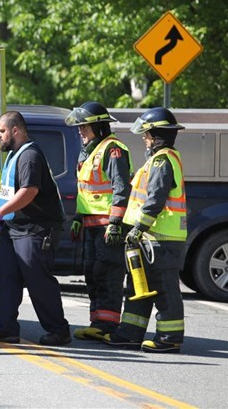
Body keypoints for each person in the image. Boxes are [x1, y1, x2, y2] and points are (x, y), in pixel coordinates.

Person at [103, 107, 188, 353]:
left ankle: (169, 338)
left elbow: (155, 200)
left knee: (163, 289)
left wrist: (139, 228)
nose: (144, 138)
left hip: (161, 237)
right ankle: (129, 334)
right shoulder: (158, 159)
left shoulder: (163, 161)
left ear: (157, 135)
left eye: (147, 134)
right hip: (150, 237)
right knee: (138, 287)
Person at [0, 111, 72, 346]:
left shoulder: (30, 155)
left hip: (36, 229)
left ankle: (59, 330)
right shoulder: (14, 154)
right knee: (6, 277)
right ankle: (7, 328)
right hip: (14, 228)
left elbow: (29, 191)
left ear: (15, 130)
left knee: (38, 280)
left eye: (2, 131)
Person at [64, 102, 132, 341]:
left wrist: (115, 222)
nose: (80, 130)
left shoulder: (113, 150)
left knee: (108, 273)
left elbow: (121, 188)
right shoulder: (90, 151)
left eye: (85, 126)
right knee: (92, 273)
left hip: (107, 226)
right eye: (80, 126)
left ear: (99, 126)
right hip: (92, 225)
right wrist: (78, 217)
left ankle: (107, 325)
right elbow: (87, 191)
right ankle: (98, 322)